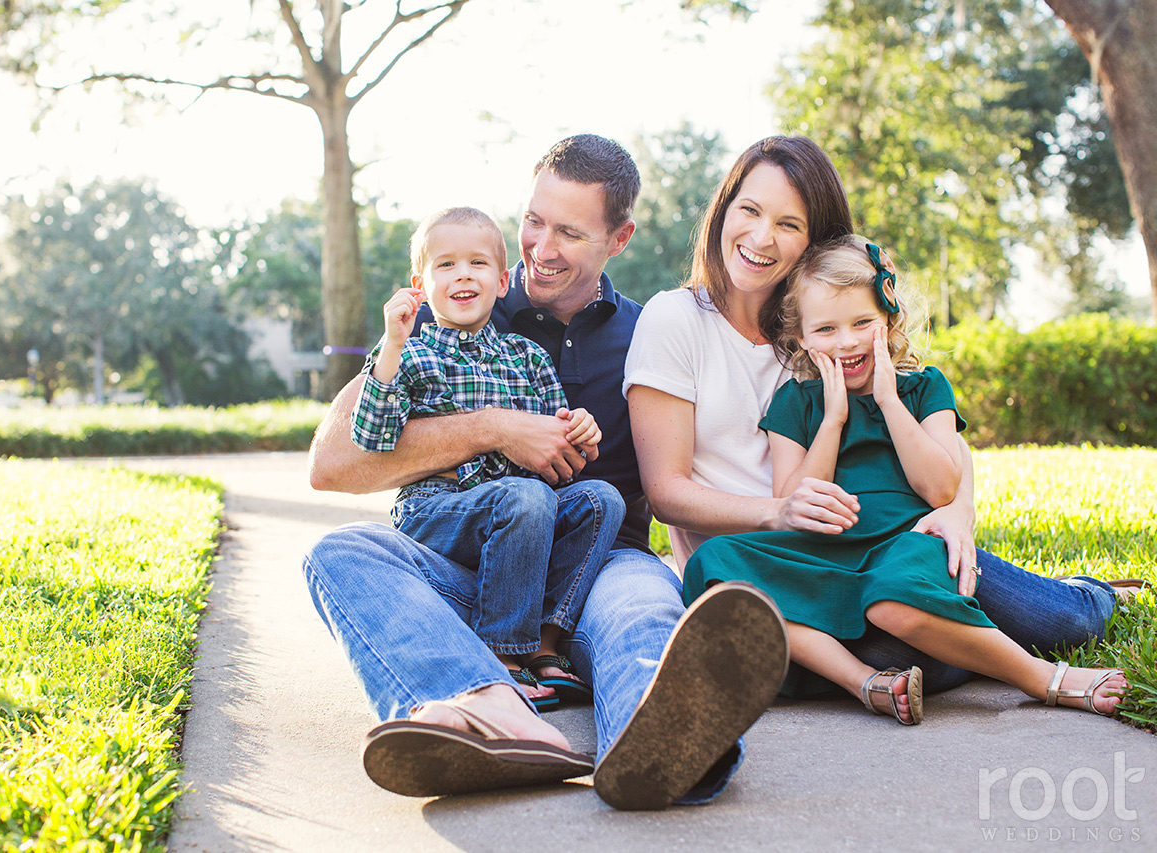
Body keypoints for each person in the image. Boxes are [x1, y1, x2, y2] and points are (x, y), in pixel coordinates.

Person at [306, 134, 790, 810]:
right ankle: (490, 709)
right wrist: (497, 426)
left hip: (597, 565)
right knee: (341, 552)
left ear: (617, 238)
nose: (540, 246)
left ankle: (667, 747)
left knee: (645, 610)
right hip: (468, 563)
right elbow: (332, 464)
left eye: (568, 231)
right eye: (534, 221)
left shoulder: (650, 331)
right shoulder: (462, 304)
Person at [625, 134, 1121, 713]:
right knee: (904, 640)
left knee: (1039, 619)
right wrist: (779, 511)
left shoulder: (824, 327)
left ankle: (1075, 604)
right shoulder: (681, 321)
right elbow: (666, 493)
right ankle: (899, 666)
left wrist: (957, 512)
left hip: (891, 551)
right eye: (751, 210)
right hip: (782, 568)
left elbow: (939, 444)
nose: (762, 238)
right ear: (724, 208)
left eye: (789, 224)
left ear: (816, 242)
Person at [351, 205, 626, 708]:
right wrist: (391, 345)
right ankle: (499, 655)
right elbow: (372, 435)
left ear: (502, 282)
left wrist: (580, 432)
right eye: (446, 265)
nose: (462, 274)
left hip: (524, 509)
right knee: (525, 496)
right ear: (420, 284)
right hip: (438, 510)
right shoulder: (410, 355)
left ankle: (545, 646)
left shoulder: (526, 357)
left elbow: (561, 459)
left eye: (477, 264)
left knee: (601, 498)